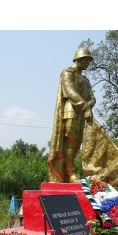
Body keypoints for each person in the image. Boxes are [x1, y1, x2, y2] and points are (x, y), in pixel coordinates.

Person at [48, 48, 96, 183]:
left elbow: (92, 98)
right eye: (85, 60)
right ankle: (70, 173)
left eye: (89, 61)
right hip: (70, 111)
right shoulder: (67, 73)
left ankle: (69, 172)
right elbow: (69, 91)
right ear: (78, 59)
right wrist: (85, 107)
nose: (87, 63)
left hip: (82, 113)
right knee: (70, 141)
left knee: (76, 145)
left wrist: (88, 107)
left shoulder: (86, 80)